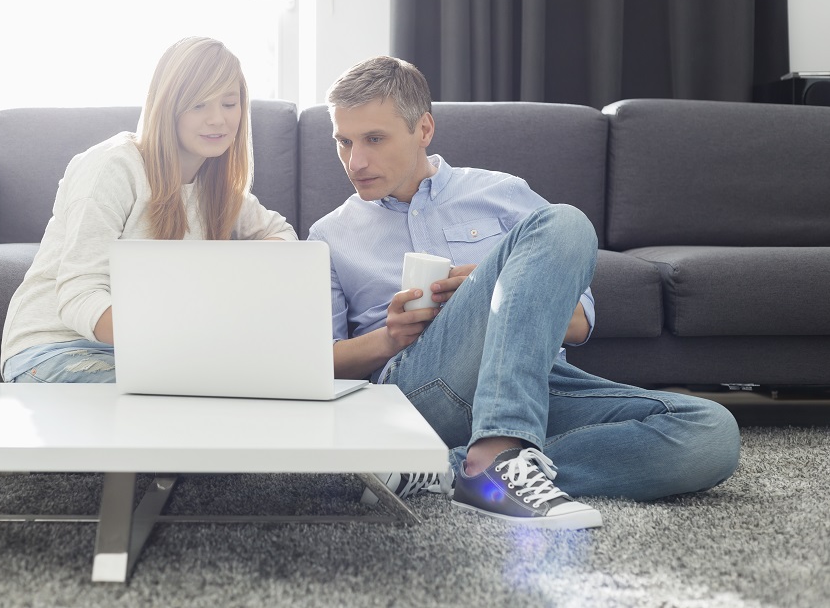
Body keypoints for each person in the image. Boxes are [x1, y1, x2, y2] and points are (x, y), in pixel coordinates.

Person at [307, 56, 740, 529]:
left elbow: (577, 325)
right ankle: (495, 455)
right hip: (420, 393)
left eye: (374, 139)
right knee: (564, 221)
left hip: (537, 380)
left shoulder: (501, 193)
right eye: (343, 142)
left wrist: (505, 285)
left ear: (423, 129)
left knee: (711, 432)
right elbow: (316, 362)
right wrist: (390, 339)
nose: (356, 161)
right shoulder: (330, 234)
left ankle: (455, 470)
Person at [1, 37, 297, 384]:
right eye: (198, 105)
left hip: (149, 354)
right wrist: (177, 339)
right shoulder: (113, 167)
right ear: (168, 106)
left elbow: (284, 237)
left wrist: (223, 268)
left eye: (229, 103)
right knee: (205, 397)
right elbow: (79, 295)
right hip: (54, 349)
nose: (217, 119)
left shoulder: (215, 188)